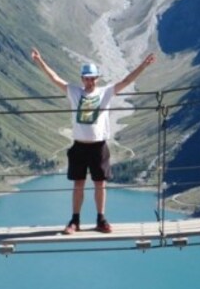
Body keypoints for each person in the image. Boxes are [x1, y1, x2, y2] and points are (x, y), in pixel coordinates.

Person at [30, 47, 156, 234]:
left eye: (93, 78)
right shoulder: (73, 91)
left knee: (100, 184)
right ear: (82, 78)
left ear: (97, 78)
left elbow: (127, 81)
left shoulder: (105, 92)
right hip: (79, 146)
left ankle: (101, 219)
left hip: (99, 146)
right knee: (78, 184)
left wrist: (143, 66)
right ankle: (75, 221)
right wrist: (40, 61)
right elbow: (54, 78)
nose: (90, 81)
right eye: (87, 78)